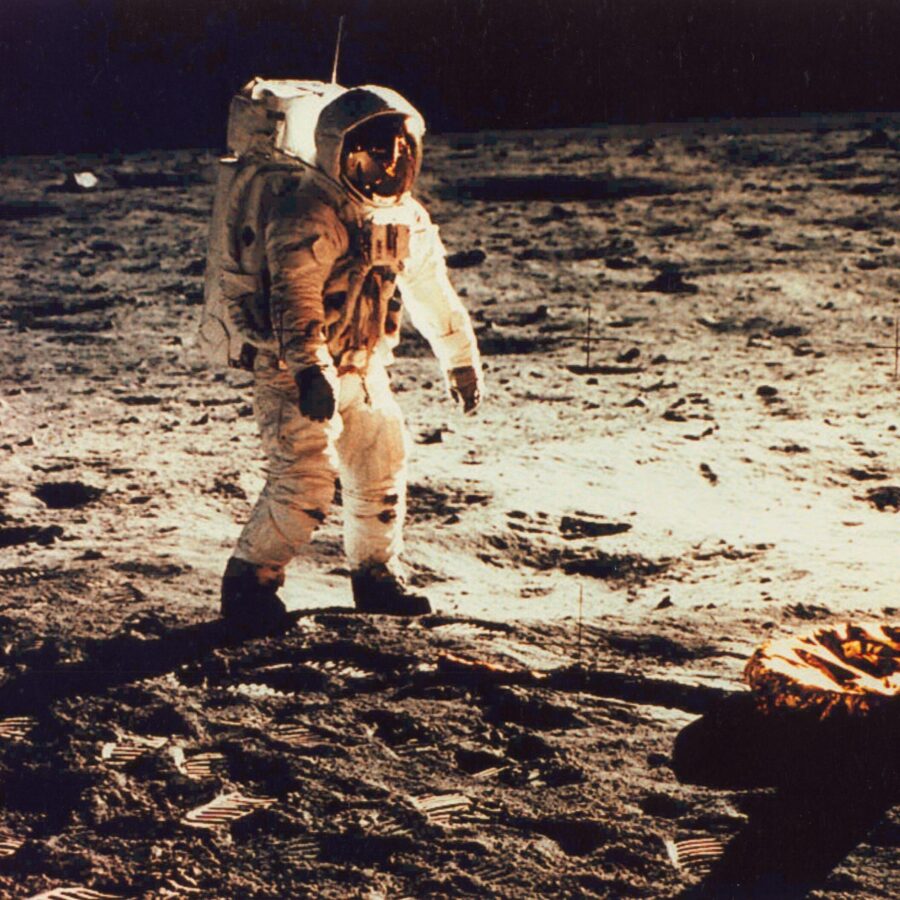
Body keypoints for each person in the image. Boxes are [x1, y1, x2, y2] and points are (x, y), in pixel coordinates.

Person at [200, 81, 482, 627]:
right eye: (377, 150)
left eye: (401, 149)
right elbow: (296, 301)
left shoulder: (407, 219)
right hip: (294, 372)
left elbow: (432, 292)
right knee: (305, 479)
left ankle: (377, 575)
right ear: (340, 151)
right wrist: (311, 371)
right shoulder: (308, 213)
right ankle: (249, 585)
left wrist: (461, 359)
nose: (391, 161)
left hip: (363, 365)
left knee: (381, 459)